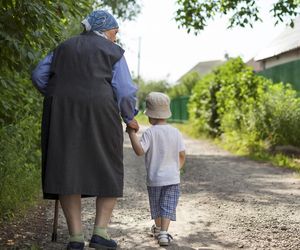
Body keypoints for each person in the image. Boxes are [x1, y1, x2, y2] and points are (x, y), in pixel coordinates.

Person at [31, 10, 139, 250]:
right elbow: (125, 90)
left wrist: (59, 94)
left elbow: (39, 75)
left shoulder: (63, 47)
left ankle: (76, 238)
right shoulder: (114, 52)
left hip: (62, 112)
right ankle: (100, 233)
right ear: (103, 29)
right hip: (102, 111)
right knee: (108, 165)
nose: (115, 36)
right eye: (114, 31)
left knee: (66, 167)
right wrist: (129, 116)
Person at [126, 92, 186, 246]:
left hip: (154, 179)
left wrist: (132, 133)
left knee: (157, 205)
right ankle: (164, 233)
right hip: (172, 178)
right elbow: (182, 155)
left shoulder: (150, 133)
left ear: (150, 115)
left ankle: (159, 229)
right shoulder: (176, 132)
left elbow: (139, 151)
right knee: (167, 205)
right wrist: (175, 169)